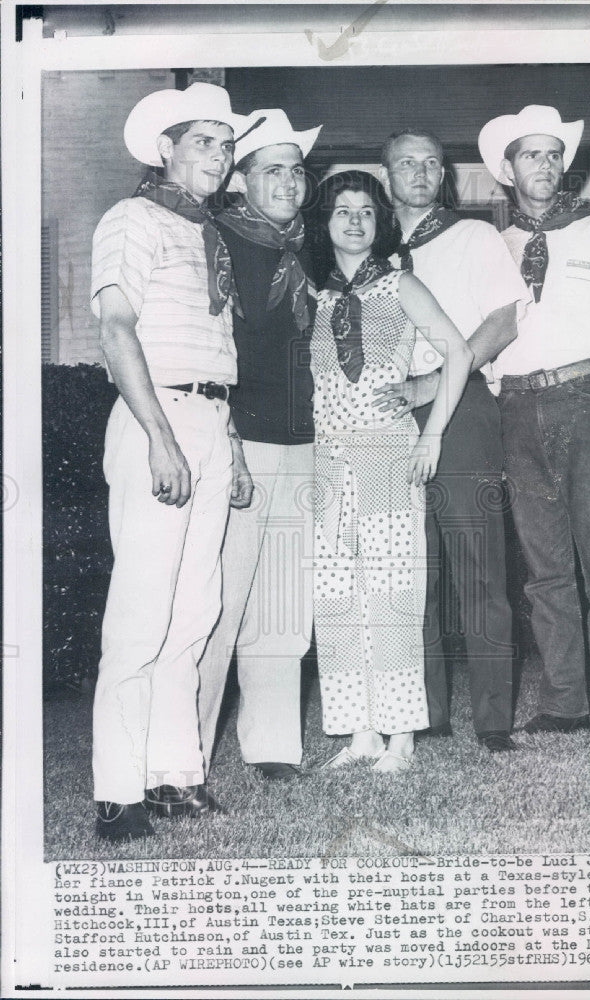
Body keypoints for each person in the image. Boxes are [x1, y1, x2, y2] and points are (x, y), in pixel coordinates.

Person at [90, 83, 255, 841]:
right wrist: (159, 436)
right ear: (165, 150)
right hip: (158, 419)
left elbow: (217, 356)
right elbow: (118, 329)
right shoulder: (132, 218)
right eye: (203, 144)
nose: (218, 159)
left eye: (225, 146)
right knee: (141, 612)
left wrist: (230, 445)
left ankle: (174, 777)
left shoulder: (208, 233)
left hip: (212, 423)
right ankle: (118, 791)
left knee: (194, 611)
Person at [477, 105, 590, 741]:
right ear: (509, 169)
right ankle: (563, 703)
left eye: (554, 154)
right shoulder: (492, 247)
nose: (546, 166)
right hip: (516, 407)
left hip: (585, 399)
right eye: (532, 155)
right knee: (545, 569)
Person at [310, 170, 474, 772]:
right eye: (341, 211)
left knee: (392, 594)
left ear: (380, 223)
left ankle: (401, 736)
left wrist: (429, 423)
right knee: (336, 596)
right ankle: (359, 734)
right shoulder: (314, 295)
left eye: (366, 212)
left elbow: (458, 352)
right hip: (328, 461)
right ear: (323, 223)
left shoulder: (402, 285)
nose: (354, 222)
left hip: (388, 452)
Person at [373, 129, 528, 752]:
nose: (420, 171)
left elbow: (503, 320)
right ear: (387, 178)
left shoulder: (474, 236)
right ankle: (426, 711)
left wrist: (433, 383)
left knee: (478, 567)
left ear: (445, 176)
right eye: (405, 162)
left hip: (460, 409)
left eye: (431, 163)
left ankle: (493, 721)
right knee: (413, 572)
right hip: (385, 419)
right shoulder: (372, 249)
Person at [197, 110, 322, 781]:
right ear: (241, 180)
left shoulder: (305, 248)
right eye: (272, 168)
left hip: (302, 445)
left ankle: (272, 747)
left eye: (295, 169)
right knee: (218, 605)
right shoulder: (215, 240)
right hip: (241, 442)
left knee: (281, 604)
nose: (288, 181)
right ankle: (182, 756)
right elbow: (207, 350)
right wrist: (229, 441)